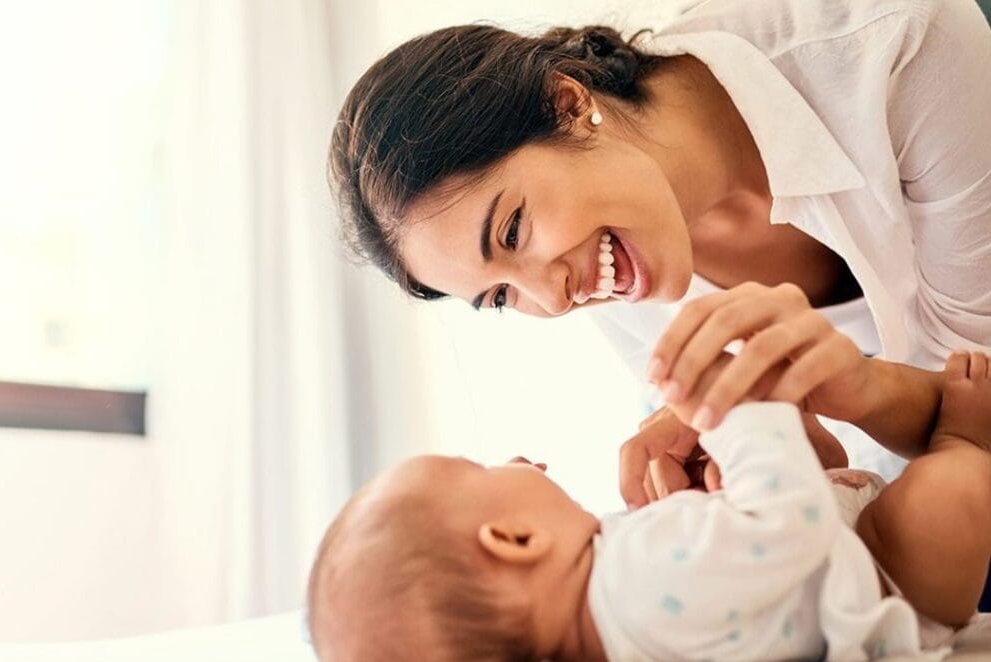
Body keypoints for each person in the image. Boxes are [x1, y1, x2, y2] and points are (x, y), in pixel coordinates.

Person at [328, 0, 991, 604]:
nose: (554, 297)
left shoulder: (899, 44)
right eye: (501, 296)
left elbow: (977, 401)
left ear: (567, 103)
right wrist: (763, 471)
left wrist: (860, 393)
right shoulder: (616, 260)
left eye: (512, 231)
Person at [307, 351, 991, 662]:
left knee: (813, 470)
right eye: (482, 470)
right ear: (515, 540)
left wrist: (709, 507)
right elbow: (790, 532)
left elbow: (729, 573)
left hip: (829, 552)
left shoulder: (599, 631)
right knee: (949, 495)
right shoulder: (631, 582)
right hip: (885, 575)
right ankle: (967, 441)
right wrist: (737, 412)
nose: (513, 461)